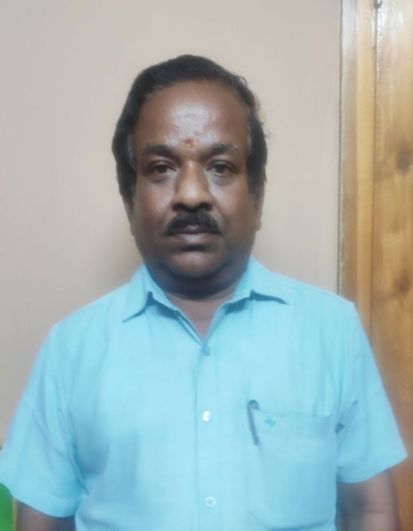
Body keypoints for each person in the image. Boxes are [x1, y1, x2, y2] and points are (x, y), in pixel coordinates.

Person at [0, 55, 407, 531]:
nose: (191, 194)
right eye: (160, 168)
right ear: (129, 199)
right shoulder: (71, 350)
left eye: (220, 166)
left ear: (257, 195)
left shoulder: (331, 331)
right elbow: (41, 520)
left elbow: (369, 510)